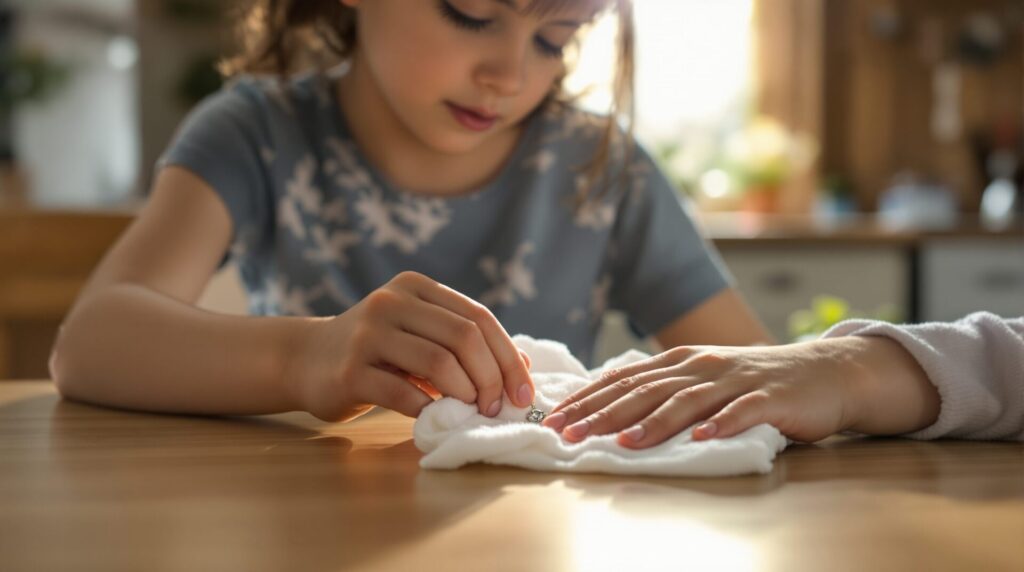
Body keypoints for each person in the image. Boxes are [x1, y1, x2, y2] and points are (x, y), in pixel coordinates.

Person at [50, 0, 771, 423]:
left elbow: (755, 374)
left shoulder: (602, 171)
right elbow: (91, 342)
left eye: (557, 38)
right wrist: (307, 357)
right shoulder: (256, 134)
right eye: (473, 13)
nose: (510, 75)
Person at [545, 311, 1024, 444]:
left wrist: (847, 372)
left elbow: (742, 358)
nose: (507, 77)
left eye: (554, 54)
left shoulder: (605, 162)